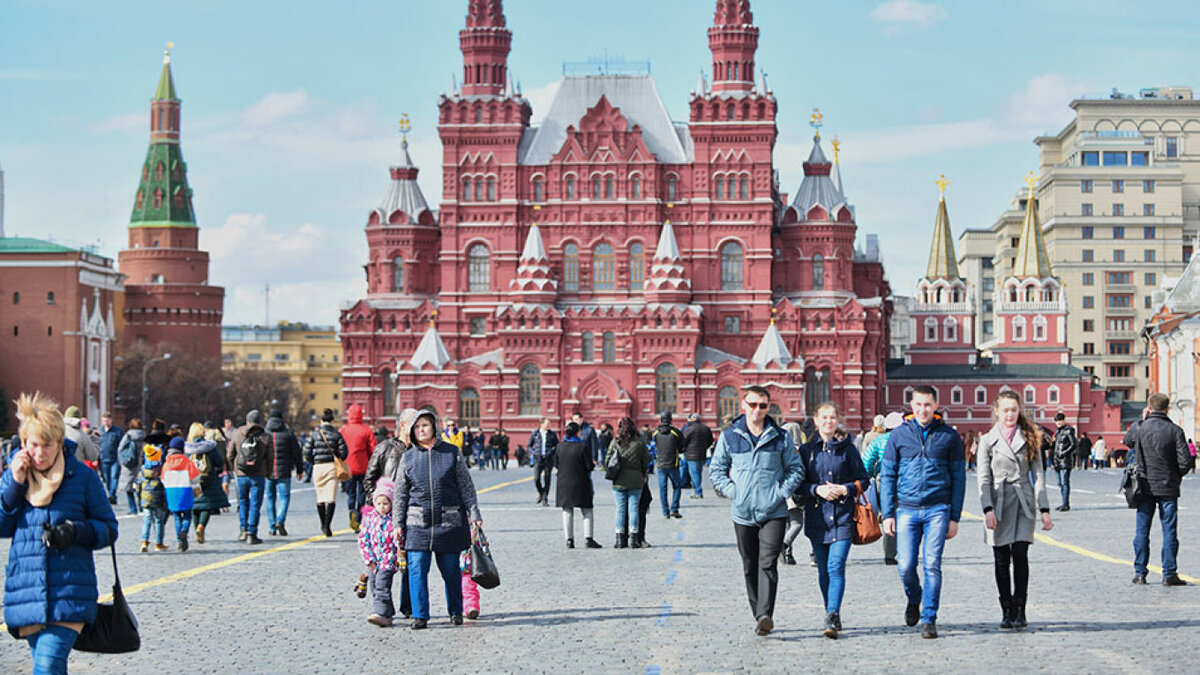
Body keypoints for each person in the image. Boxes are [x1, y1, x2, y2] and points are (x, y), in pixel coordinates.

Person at [0, 392, 118, 673]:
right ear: (24, 443)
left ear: (60, 443)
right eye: (33, 445)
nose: (40, 453)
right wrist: (15, 485)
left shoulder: (82, 477)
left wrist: (74, 531)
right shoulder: (14, 475)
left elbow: (109, 528)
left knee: (48, 665)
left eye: (47, 445)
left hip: (70, 594)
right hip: (28, 594)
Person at [709, 385, 806, 637]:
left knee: (768, 563)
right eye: (753, 404)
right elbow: (716, 470)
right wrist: (734, 492)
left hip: (774, 511)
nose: (757, 410)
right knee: (749, 565)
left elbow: (796, 468)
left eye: (763, 405)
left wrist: (781, 492)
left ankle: (765, 615)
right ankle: (758, 613)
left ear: (768, 407)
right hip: (742, 512)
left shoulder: (780, 436)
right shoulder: (730, 436)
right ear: (744, 405)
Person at [880, 385, 965, 640]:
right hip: (906, 508)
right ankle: (914, 597)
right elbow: (888, 475)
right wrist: (888, 513)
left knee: (931, 564)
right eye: (918, 404)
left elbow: (959, 478)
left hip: (937, 509)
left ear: (936, 405)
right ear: (911, 406)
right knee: (905, 565)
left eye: (927, 405)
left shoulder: (949, 436)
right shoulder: (899, 435)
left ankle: (929, 618)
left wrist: (955, 517)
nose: (923, 410)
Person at [392, 408, 483, 630]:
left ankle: (455, 611)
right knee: (416, 569)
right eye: (416, 427)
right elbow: (400, 493)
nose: (421, 430)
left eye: (424, 425)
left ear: (434, 427)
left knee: (451, 571)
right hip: (417, 524)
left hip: (448, 522)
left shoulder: (452, 453)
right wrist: (397, 524)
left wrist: (474, 514)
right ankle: (420, 615)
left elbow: (466, 486)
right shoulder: (408, 457)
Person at [976, 391, 1053, 629]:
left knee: (1020, 555)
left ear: (1020, 411)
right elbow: (983, 478)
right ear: (997, 411)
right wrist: (987, 508)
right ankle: (1006, 609)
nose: (1010, 415)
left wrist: (1044, 509)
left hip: (1023, 502)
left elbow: (1039, 476)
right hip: (997, 502)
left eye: (1014, 410)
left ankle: (1021, 609)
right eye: (1006, 410)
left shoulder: (1030, 437)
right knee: (1001, 559)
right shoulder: (987, 441)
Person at [800, 401, 869, 639]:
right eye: (824, 417)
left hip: (843, 517)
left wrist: (845, 489)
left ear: (838, 420)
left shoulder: (848, 449)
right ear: (816, 421)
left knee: (836, 566)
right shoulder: (806, 451)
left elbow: (863, 480)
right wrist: (816, 490)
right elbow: (799, 485)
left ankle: (832, 614)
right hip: (817, 518)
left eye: (832, 417)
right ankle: (829, 609)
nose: (828, 421)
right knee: (823, 571)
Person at [1125, 393, 1191, 586]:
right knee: (1169, 530)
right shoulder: (1175, 430)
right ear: (1167, 409)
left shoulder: (1140, 427)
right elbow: (1185, 462)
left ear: (1149, 407)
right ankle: (1169, 574)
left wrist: (1141, 420)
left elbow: (1127, 441)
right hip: (1168, 487)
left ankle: (1140, 573)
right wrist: (1174, 475)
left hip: (1144, 486)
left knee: (1141, 531)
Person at [861, 411, 904, 565]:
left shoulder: (878, 441)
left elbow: (866, 462)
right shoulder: (908, 440)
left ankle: (889, 555)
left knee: (889, 515)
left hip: (883, 481)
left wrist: (866, 480)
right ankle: (903, 550)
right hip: (905, 482)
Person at [228, 410, 275, 545]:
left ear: (247, 420)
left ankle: (243, 529)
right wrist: (268, 473)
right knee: (255, 504)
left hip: (241, 474)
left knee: (243, 502)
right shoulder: (265, 436)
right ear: (260, 421)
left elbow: (230, 454)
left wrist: (235, 469)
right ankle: (252, 533)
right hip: (258, 475)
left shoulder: (237, 433)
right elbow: (270, 457)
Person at [359, 477, 399, 627]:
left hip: (388, 559)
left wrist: (400, 554)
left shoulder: (394, 520)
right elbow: (364, 539)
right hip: (374, 560)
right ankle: (387, 612)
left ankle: (380, 613)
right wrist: (368, 559)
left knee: (382, 584)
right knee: (375, 585)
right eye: (379, 504)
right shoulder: (370, 519)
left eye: (385, 504)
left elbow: (399, 540)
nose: (382, 507)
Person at [556, 421, 602, 549]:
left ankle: (569, 540)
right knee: (587, 510)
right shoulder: (582, 447)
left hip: (564, 483)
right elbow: (589, 466)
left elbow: (556, 464)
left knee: (567, 510)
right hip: (581, 482)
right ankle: (588, 539)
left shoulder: (560, 446)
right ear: (577, 433)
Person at [605, 417, 650, 549]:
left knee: (620, 509)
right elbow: (646, 461)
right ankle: (634, 539)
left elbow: (607, 460)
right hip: (636, 480)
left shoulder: (615, 442)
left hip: (619, 480)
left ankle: (619, 539)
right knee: (633, 509)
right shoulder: (639, 443)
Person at [306, 408, 349, 537]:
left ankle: (322, 523)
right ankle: (327, 526)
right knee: (331, 498)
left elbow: (307, 451)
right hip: (331, 466)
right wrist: (338, 458)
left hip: (318, 467)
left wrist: (313, 461)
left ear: (321, 421)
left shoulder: (314, 434)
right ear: (332, 421)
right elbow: (344, 452)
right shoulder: (336, 434)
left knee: (320, 498)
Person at [265, 409, 304, 536]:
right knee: (284, 497)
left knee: (270, 498)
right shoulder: (288, 433)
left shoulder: (265, 434)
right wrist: (299, 469)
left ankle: (272, 526)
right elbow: (296, 452)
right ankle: (280, 520)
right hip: (284, 470)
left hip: (268, 471)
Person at [189, 423, 229, 544]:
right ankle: (201, 526)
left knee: (195, 506)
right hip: (209, 479)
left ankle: (197, 530)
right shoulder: (210, 447)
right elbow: (219, 462)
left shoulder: (188, 448)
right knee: (206, 505)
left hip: (193, 480)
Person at [340, 404, 377, 533]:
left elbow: (338, 448)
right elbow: (373, 449)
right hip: (363, 467)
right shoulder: (366, 430)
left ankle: (351, 511)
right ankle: (358, 517)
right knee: (362, 494)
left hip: (348, 467)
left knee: (351, 494)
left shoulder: (343, 430)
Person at [366, 408, 418, 499]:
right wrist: (378, 501)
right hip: (390, 504)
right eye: (415, 423)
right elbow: (369, 479)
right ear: (402, 425)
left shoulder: (421, 450)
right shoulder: (384, 447)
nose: (419, 427)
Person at [163, 435, 202, 552]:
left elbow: (163, 478)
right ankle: (184, 530)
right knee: (187, 515)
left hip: (172, 491)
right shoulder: (187, 462)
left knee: (176, 517)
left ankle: (180, 542)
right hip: (185, 490)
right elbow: (195, 477)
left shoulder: (167, 463)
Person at [139, 438, 168, 552]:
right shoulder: (160, 469)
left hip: (145, 499)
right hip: (158, 498)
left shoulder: (143, 470)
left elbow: (138, 484)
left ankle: (144, 541)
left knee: (146, 520)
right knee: (159, 520)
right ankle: (158, 543)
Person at [653, 411, 684, 519]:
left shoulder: (656, 433)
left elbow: (656, 445)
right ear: (671, 419)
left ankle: (665, 512)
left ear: (660, 419)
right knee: (677, 487)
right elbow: (681, 446)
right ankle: (674, 509)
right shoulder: (676, 432)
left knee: (663, 489)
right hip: (673, 464)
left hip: (660, 464)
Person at [116, 418, 146, 515]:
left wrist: (122, 461)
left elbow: (120, 448)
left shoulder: (128, 436)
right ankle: (141, 506)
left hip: (129, 464)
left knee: (129, 488)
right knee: (140, 487)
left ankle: (133, 508)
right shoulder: (144, 437)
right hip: (141, 464)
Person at [682, 413, 714, 499]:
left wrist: (684, 449)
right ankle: (697, 490)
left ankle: (698, 492)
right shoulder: (705, 428)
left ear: (693, 419)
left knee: (694, 474)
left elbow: (683, 441)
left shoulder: (689, 429)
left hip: (691, 455)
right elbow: (710, 441)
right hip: (702, 454)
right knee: (698, 473)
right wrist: (704, 447)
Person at [1050, 413, 1077, 511]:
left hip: (1065, 461)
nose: (1058, 422)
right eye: (1057, 421)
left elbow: (1073, 444)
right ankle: (1063, 502)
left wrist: (1064, 453)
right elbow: (1054, 448)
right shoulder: (1057, 432)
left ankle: (1066, 504)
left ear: (1064, 420)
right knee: (1059, 483)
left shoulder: (1068, 431)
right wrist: (1053, 460)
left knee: (1064, 482)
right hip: (1057, 461)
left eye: (1060, 420)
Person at [529, 418, 558, 506]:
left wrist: (552, 452)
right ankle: (541, 492)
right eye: (547, 424)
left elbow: (557, 445)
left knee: (547, 479)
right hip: (538, 459)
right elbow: (529, 446)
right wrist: (534, 452)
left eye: (549, 424)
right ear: (541, 424)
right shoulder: (535, 433)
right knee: (536, 479)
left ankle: (545, 498)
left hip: (548, 459)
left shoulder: (552, 434)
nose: (549, 425)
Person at [98, 412, 123, 504]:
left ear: (111, 420)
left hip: (115, 459)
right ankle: (111, 494)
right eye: (104, 421)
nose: (106, 423)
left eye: (107, 420)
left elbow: (121, 444)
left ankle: (112, 495)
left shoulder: (117, 431)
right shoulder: (100, 431)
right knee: (106, 478)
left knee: (114, 477)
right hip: (103, 458)